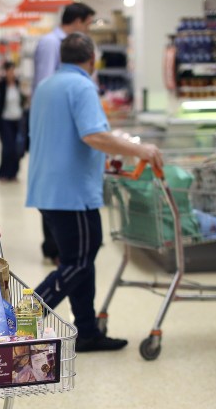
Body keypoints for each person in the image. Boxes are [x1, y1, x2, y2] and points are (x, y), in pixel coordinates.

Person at [26, 32, 163, 353]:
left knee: (81, 259)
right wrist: (138, 149)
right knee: (78, 262)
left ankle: (86, 331)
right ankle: (19, 320)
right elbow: (94, 136)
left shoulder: (46, 86)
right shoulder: (82, 85)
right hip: (73, 192)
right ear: (92, 60)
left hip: (48, 188)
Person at [32, 2, 97, 264]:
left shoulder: (74, 45)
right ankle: (55, 248)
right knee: (54, 184)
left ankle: (62, 248)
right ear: (78, 20)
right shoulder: (51, 43)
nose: (90, 29)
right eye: (89, 23)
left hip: (69, 122)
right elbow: (45, 83)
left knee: (61, 185)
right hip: (57, 124)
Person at [0, 61, 28, 182]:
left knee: (17, 147)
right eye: (9, 71)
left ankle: (13, 173)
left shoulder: (18, 85)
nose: (11, 73)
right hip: (4, 120)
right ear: (5, 72)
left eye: (13, 70)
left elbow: (23, 101)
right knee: (8, 147)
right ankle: (3, 173)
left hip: (17, 120)